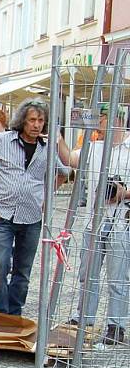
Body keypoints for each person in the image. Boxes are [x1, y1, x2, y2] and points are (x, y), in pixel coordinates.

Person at [0, 98, 69, 316]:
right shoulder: (1, 140)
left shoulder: (46, 147)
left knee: (23, 270)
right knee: (0, 265)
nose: (36, 124)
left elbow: (63, 173)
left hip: (32, 217)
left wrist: (45, 197)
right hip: (3, 214)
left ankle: (14, 313)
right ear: (22, 120)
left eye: (41, 120)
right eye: (32, 119)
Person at [58, 104, 130, 344]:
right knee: (87, 273)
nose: (98, 124)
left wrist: (123, 193)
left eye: (101, 119)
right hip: (94, 220)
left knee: (118, 276)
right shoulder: (94, 147)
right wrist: (58, 135)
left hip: (122, 221)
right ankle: (83, 317)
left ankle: (116, 325)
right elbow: (69, 159)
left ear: (115, 120)